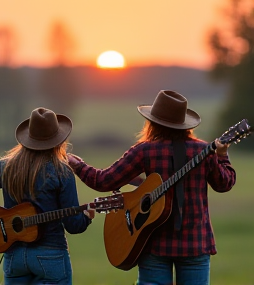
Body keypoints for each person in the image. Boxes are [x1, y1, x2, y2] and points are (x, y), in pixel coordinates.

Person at [67, 90, 236, 285]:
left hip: (154, 244)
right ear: (184, 124)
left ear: (153, 122)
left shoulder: (144, 150)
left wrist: (77, 165)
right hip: (195, 244)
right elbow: (225, 184)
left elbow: (104, 181)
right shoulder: (203, 151)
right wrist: (222, 154)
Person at [0, 107, 94, 285]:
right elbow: (73, 225)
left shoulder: (4, 167)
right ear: (59, 141)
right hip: (51, 255)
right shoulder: (62, 171)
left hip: (14, 256)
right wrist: (86, 217)